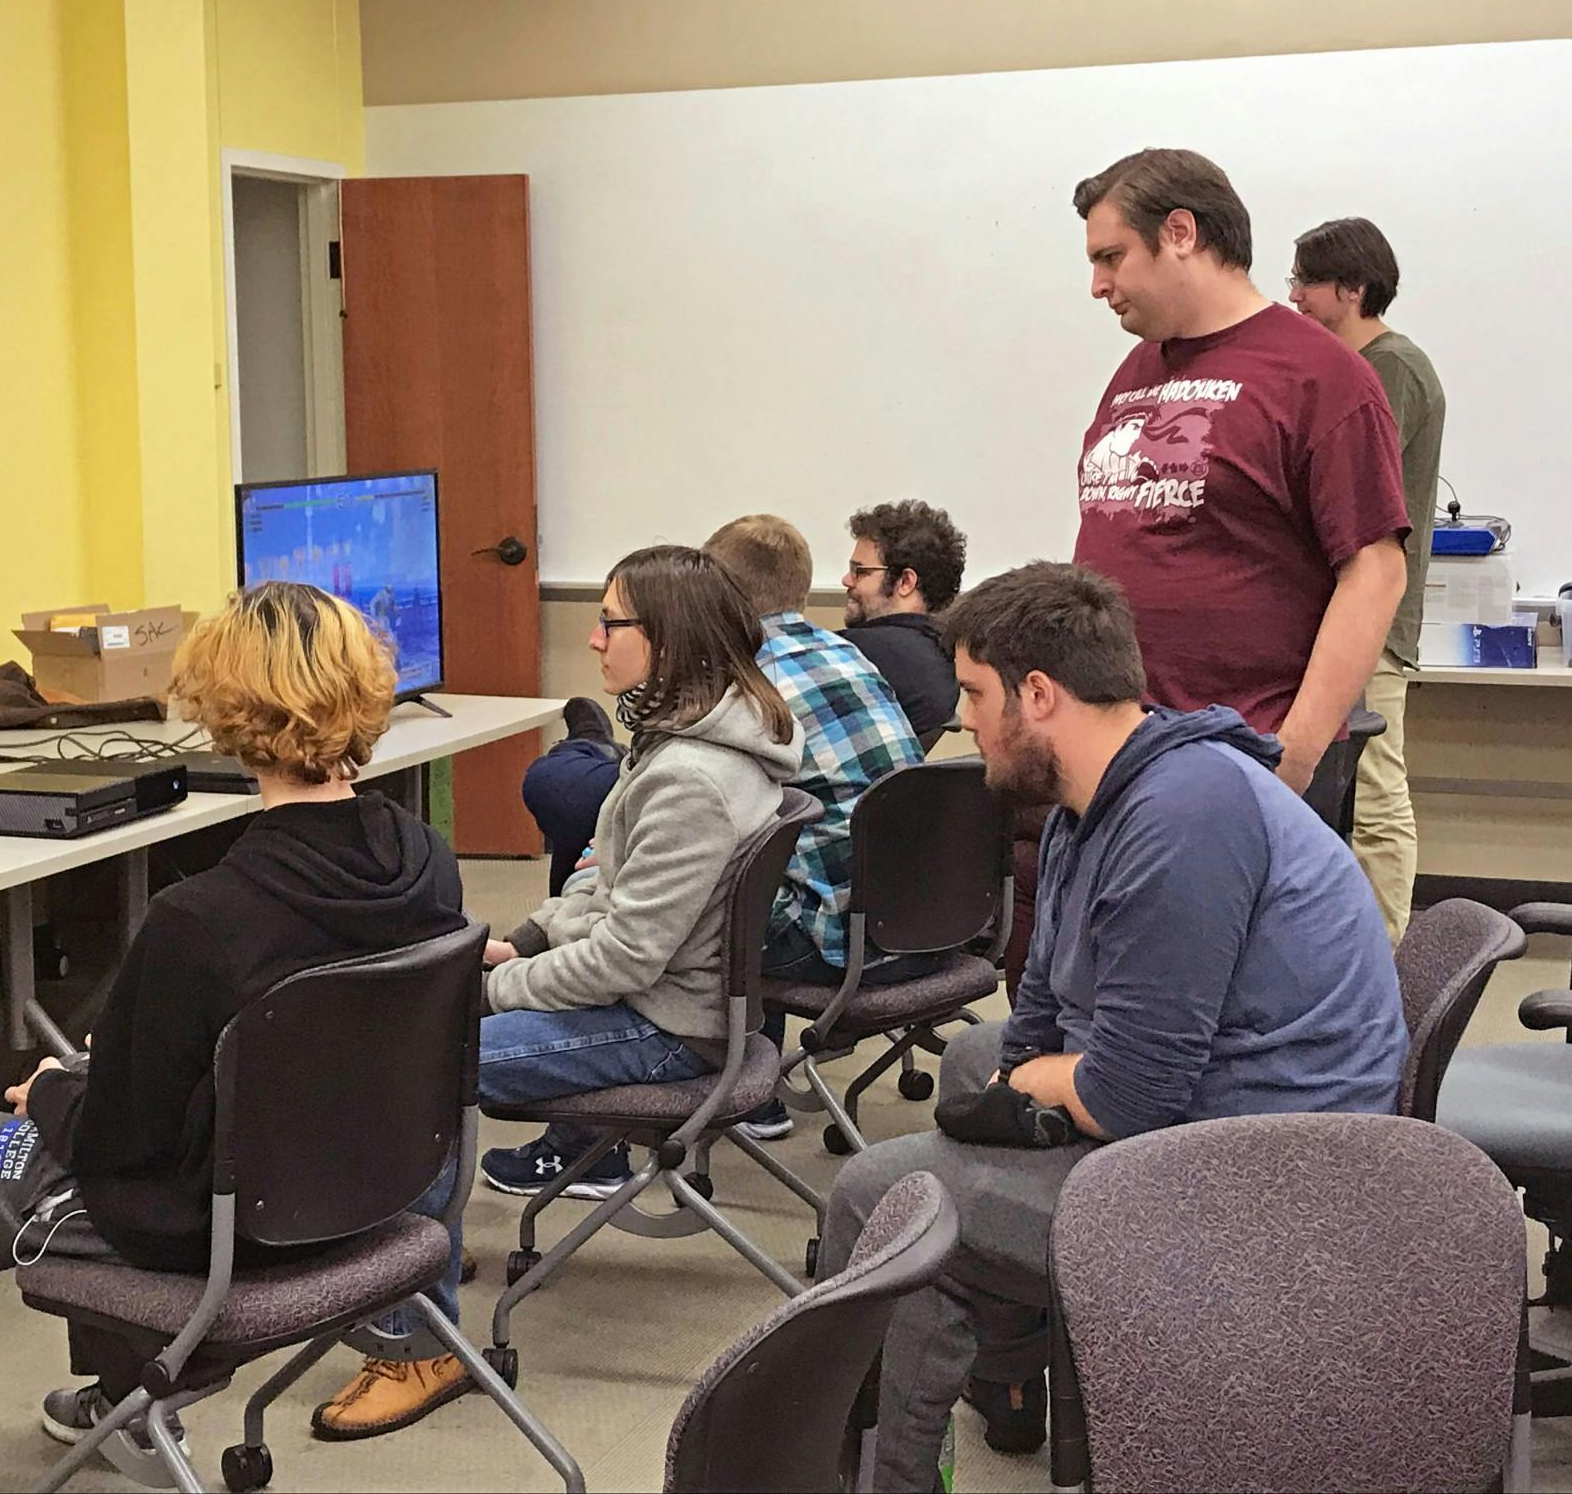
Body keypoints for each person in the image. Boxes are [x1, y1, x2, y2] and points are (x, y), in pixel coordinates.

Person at [0, 583, 470, 1494]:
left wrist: (50, 1090)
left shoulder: (199, 922)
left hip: (212, 1229)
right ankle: (130, 1404)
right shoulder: (426, 862)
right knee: (119, 1079)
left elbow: (119, 1143)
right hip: (366, 1196)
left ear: (222, 714)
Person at [819, 563, 1407, 1491]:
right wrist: (1023, 1088)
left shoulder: (1181, 819)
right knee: (974, 1070)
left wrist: (1032, 1093)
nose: (964, 720)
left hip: (1271, 1176)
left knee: (881, 1193)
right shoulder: (1086, 806)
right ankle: (1006, 1379)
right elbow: (1037, 1021)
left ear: (1039, 695)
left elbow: (1131, 1097)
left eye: (976, 694)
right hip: (1212, 1116)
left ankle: (890, 1468)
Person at [995, 149, 1415, 994]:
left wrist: (1291, 761)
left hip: (1232, 755)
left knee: (1194, 1021)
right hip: (1116, 751)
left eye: (1111, 258)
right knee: (1090, 997)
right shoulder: (1138, 371)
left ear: (1180, 234)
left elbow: (1374, 573)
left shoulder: (1323, 377)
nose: (1098, 286)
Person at [505, 517, 922, 1153]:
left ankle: (582, 1153)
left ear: (672, 636)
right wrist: (533, 944)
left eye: (610, 623)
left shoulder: (693, 771)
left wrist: (494, 987)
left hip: (706, 995)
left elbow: (624, 954)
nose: (591, 640)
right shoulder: (766, 692)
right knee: (597, 814)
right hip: (884, 918)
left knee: (422, 1055)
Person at [1289, 217, 1446, 943]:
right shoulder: (1361, 367)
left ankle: (1384, 961)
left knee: (1377, 793)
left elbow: (1344, 491)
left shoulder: (1390, 369)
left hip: (1370, 624)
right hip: (1332, 619)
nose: (1294, 298)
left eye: (1306, 283)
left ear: (1351, 289)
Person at [839, 499, 966, 747]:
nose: (846, 580)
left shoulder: (853, 653)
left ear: (906, 582)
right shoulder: (943, 662)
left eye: (860, 571)